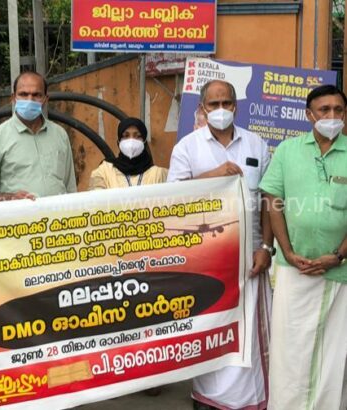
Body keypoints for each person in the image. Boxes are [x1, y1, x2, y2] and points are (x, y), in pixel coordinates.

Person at [167, 79, 273, 410]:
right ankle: (208, 399)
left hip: (250, 256)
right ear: (202, 108)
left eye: (226, 103)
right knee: (211, 329)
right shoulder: (187, 147)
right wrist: (213, 175)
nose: (221, 110)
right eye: (214, 104)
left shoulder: (256, 144)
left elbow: (269, 200)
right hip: (208, 258)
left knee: (249, 335)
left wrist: (266, 248)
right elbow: (172, 199)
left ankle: (252, 401)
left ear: (236, 106)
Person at [259, 84, 347, 410]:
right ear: (309, 115)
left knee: (331, 353)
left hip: (338, 272)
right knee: (290, 348)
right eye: (324, 110)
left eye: (339, 110)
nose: (332, 116)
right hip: (292, 269)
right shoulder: (287, 150)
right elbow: (273, 201)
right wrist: (287, 251)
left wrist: (337, 255)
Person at [0, 71, 77, 202]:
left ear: (45, 99)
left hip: (57, 213)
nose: (30, 100)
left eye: (36, 95)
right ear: (13, 98)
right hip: (18, 215)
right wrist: (8, 197)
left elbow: (70, 187)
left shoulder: (60, 135)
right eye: (23, 94)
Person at [88, 117, 167, 189]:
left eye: (137, 136)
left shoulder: (160, 174)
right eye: (126, 136)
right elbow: (96, 198)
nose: (131, 140)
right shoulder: (104, 172)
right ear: (119, 141)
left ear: (144, 142)